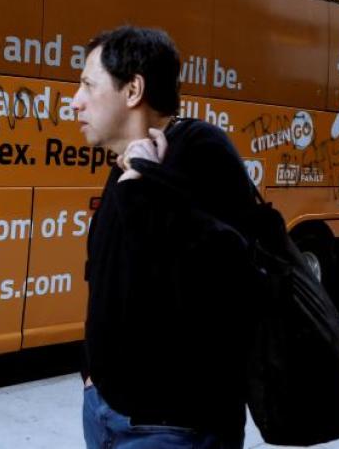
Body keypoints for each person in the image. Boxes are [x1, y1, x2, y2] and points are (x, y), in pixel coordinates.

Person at [71, 26, 256, 449]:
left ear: (133, 90)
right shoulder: (126, 163)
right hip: (105, 410)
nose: (75, 101)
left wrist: (146, 182)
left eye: (88, 85)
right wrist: (91, 374)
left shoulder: (199, 148)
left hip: (172, 427)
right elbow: (108, 279)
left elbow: (230, 272)